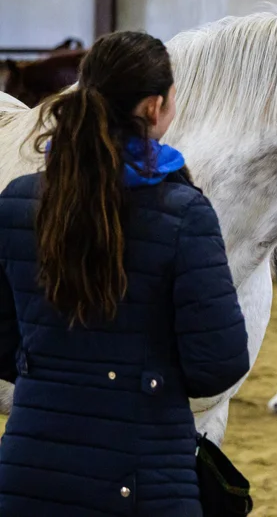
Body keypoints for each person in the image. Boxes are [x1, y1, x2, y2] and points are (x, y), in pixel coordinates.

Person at [0, 30, 250, 516]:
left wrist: (58, 374)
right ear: (155, 108)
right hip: (144, 480)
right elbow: (218, 364)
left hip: (27, 474)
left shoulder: (15, 202)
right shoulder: (184, 214)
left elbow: (1, 343)